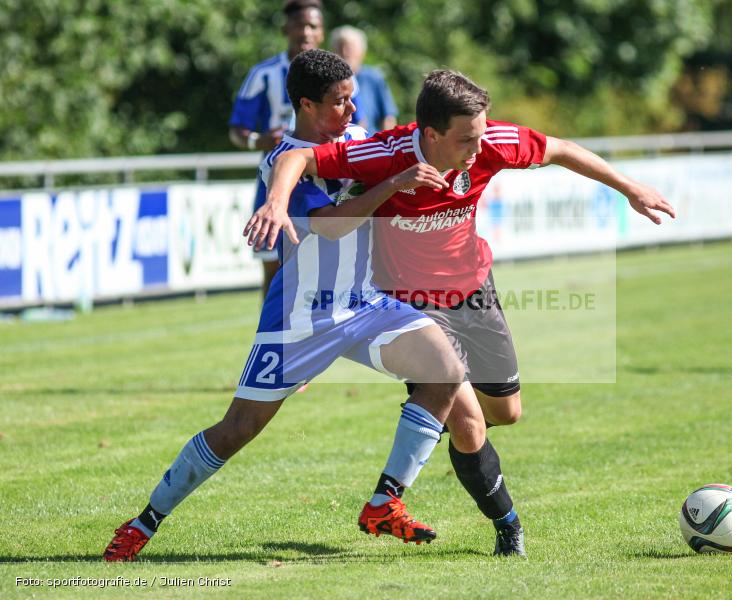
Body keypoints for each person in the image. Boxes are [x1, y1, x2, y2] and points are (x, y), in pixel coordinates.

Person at [251, 69, 676, 557]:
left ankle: (440, 420)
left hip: (475, 291)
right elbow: (300, 156)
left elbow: (560, 149)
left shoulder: (491, 140)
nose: (479, 149)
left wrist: (630, 188)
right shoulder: (387, 153)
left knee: (505, 414)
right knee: (469, 423)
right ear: (430, 133)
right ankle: (505, 526)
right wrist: (277, 204)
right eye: (466, 140)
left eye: (481, 135)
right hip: (410, 305)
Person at [103, 50, 467, 562]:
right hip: (301, 319)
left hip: (363, 303)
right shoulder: (281, 159)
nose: (353, 109)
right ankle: (143, 523)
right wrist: (392, 184)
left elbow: (413, 146)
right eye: (340, 102)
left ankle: (385, 502)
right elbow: (331, 224)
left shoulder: (360, 141)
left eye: (353, 96)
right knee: (237, 430)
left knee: (445, 372)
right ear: (306, 105)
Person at [228, 0, 326, 299]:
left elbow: (354, 121)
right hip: (274, 179)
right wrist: (258, 141)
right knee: (273, 268)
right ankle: (272, 340)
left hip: (323, 179)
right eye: (300, 25)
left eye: (313, 26)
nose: (306, 32)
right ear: (286, 29)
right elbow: (236, 131)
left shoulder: (335, 73)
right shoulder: (265, 74)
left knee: (329, 265)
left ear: (321, 32)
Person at [330, 25, 399, 131]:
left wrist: (386, 144)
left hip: (369, 142)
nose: (344, 52)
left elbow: (388, 117)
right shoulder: (327, 80)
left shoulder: (373, 77)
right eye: (339, 47)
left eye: (349, 48)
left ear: (362, 52)